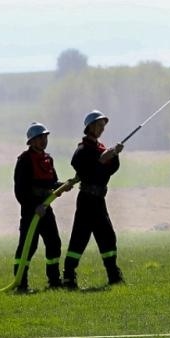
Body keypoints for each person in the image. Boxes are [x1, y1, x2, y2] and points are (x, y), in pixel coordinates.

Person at [63, 109, 125, 289]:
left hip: (99, 200)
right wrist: (101, 159)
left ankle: (113, 274)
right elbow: (85, 170)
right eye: (98, 125)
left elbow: (110, 170)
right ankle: (68, 277)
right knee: (79, 239)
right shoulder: (82, 150)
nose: (101, 129)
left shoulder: (101, 148)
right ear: (89, 127)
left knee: (108, 237)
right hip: (86, 199)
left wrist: (114, 155)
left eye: (103, 126)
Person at [12, 122, 74, 292]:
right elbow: (20, 190)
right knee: (28, 247)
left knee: (54, 243)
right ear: (31, 141)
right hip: (32, 210)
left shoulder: (48, 159)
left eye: (45, 137)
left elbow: (52, 182)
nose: (43, 140)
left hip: (46, 209)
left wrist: (62, 185)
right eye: (39, 138)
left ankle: (54, 281)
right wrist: (34, 207)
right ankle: (21, 284)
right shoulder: (24, 160)